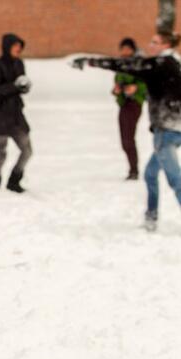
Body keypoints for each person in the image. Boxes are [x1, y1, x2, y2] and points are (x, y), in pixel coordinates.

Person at [72, 32, 181, 231]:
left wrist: (90, 61)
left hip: (165, 131)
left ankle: (151, 218)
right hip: (175, 128)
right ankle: (151, 218)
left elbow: (124, 65)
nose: (151, 45)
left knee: (176, 180)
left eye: (155, 42)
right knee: (150, 175)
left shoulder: (159, 64)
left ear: (166, 44)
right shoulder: (175, 63)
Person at [0, 33, 33, 193]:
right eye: (15, 46)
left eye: (20, 47)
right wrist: (15, 86)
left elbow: (20, 86)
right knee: (1, 151)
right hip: (0, 116)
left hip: (16, 116)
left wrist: (24, 87)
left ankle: (14, 180)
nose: (18, 49)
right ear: (7, 47)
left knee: (27, 150)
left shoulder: (19, 63)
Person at [113, 38, 147, 180]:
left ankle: (134, 170)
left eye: (128, 48)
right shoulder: (121, 65)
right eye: (123, 48)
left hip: (134, 104)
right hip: (123, 104)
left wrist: (136, 87)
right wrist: (117, 90)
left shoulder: (138, 65)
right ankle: (133, 169)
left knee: (128, 139)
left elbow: (145, 83)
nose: (125, 51)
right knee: (124, 140)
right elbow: (117, 83)